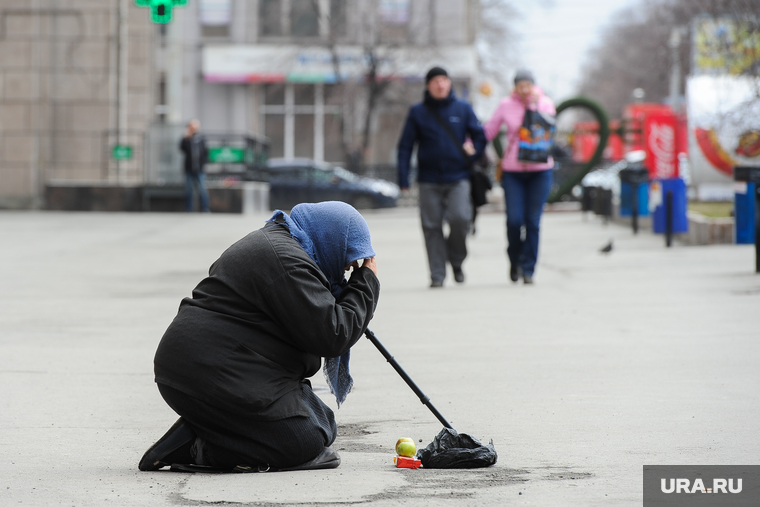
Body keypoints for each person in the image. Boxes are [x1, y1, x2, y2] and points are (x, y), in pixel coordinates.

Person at [138, 201, 380, 472]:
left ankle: (208, 425)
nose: (348, 270)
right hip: (210, 373)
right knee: (306, 440)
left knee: (325, 421)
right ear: (332, 239)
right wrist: (365, 284)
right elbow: (333, 335)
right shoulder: (289, 263)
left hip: (216, 369)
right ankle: (198, 446)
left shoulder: (282, 246)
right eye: (349, 260)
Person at [397, 66, 487, 288]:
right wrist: (403, 178)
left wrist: (473, 148)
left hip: (459, 176)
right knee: (431, 226)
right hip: (429, 179)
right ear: (428, 86)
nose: (440, 84)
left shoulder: (463, 108)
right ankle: (437, 274)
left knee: (460, 219)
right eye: (435, 81)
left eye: (444, 80)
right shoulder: (418, 112)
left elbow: (480, 136)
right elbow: (405, 146)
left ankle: (456, 260)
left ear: (449, 83)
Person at [483, 69, 556, 285]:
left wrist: (533, 105)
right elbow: (489, 130)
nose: (524, 89)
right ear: (514, 88)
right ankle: (514, 258)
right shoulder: (506, 105)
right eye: (520, 85)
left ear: (533, 86)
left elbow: (549, 125)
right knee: (514, 221)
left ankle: (529, 269)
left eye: (528, 85)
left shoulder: (545, 103)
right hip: (513, 172)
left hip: (540, 171)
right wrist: (470, 144)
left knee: (533, 221)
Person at [179, 119, 210, 213]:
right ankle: (189, 209)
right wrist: (186, 138)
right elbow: (182, 148)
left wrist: (203, 164)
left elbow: (205, 152)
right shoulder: (187, 139)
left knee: (202, 189)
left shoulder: (201, 138)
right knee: (189, 190)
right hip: (189, 168)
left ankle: (205, 208)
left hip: (199, 168)